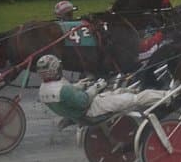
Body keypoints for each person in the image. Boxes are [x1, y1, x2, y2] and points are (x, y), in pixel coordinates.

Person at [36, 54, 166, 127]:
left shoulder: (44, 89)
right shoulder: (63, 90)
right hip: (92, 110)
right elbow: (83, 101)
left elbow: (68, 95)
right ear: (54, 69)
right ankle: (169, 95)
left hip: (82, 113)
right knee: (136, 99)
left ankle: (140, 91)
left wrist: (79, 85)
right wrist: (96, 87)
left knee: (120, 91)